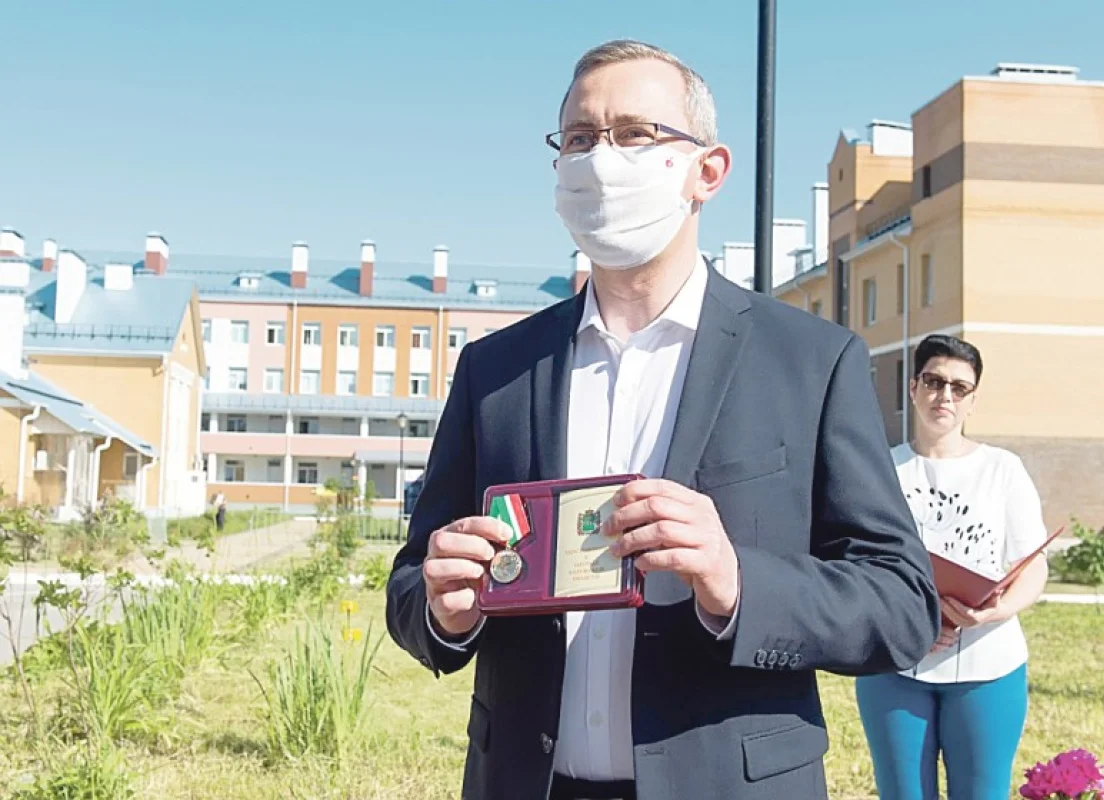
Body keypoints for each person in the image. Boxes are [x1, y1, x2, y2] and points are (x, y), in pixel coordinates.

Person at [385, 40, 940, 800]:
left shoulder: (811, 361)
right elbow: (413, 581)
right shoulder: (496, 370)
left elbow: (902, 604)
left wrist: (736, 581)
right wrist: (443, 611)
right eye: (580, 138)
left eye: (635, 134)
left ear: (707, 172)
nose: (600, 159)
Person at [854, 334, 1051, 800]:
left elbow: (1033, 565)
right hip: (895, 667)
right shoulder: (880, 472)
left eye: (960, 387)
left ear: (973, 400)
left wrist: (995, 612)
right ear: (913, 387)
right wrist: (907, 626)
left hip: (989, 667)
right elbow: (859, 567)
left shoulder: (1003, 470)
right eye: (934, 381)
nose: (945, 395)